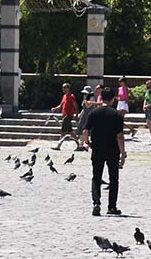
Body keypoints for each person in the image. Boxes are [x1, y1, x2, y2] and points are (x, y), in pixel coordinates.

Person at [81, 86, 126, 216]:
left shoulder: (93, 113)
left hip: (97, 149)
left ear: (102, 98)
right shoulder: (116, 114)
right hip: (113, 150)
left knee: (96, 177)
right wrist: (123, 154)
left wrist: (88, 142)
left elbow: (85, 131)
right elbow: (119, 136)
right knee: (113, 179)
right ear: (113, 99)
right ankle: (112, 206)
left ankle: (96, 203)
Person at [51, 83, 80, 150]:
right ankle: (79, 145)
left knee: (63, 131)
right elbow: (60, 106)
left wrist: (76, 115)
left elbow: (76, 106)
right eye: (62, 87)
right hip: (64, 115)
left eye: (64, 87)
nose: (63, 89)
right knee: (71, 132)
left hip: (68, 116)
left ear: (68, 88)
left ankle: (58, 146)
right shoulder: (64, 96)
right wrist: (54, 108)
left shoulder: (71, 96)